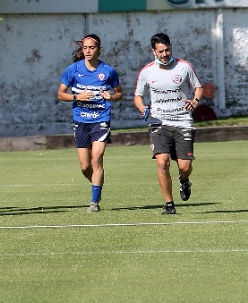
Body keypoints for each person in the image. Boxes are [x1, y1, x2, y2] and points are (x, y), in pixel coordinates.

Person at [133, 32, 204, 214]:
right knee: (162, 162)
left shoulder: (184, 67)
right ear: (153, 52)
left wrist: (195, 100)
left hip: (183, 122)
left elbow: (198, 87)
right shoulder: (147, 71)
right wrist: (142, 108)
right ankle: (169, 204)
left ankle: (184, 180)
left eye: (167, 50)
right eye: (161, 51)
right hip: (159, 123)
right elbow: (138, 96)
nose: (165, 54)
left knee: (184, 166)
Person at [58, 34, 123, 212]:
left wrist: (112, 96)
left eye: (91, 48)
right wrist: (77, 96)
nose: (88, 51)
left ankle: (94, 202)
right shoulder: (73, 70)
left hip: (101, 119)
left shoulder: (108, 71)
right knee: (85, 166)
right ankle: (97, 185)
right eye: (85, 48)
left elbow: (119, 93)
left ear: (99, 50)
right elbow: (60, 94)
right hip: (81, 120)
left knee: (97, 159)